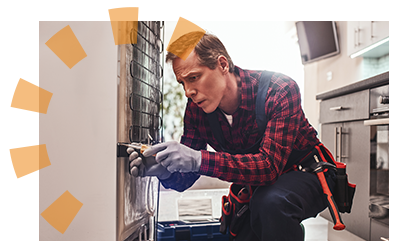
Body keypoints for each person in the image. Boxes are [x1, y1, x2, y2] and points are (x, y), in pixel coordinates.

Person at [127, 32, 336, 241]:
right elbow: (186, 177)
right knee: (242, 228)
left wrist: (198, 159)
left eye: (194, 77)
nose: (188, 91)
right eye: (182, 82)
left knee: (270, 204)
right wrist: (165, 172)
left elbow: (269, 168)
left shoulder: (280, 90)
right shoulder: (195, 110)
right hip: (257, 187)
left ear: (223, 65)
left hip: (308, 173)